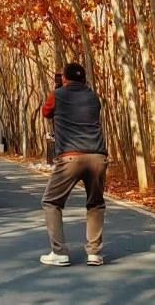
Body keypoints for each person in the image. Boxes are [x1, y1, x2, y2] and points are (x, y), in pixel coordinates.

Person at [40, 62, 108, 268]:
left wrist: (58, 88)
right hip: (97, 156)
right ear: (84, 79)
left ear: (65, 79)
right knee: (95, 203)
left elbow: (46, 112)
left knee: (51, 202)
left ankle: (59, 253)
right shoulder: (94, 97)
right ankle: (94, 253)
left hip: (70, 156)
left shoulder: (58, 94)